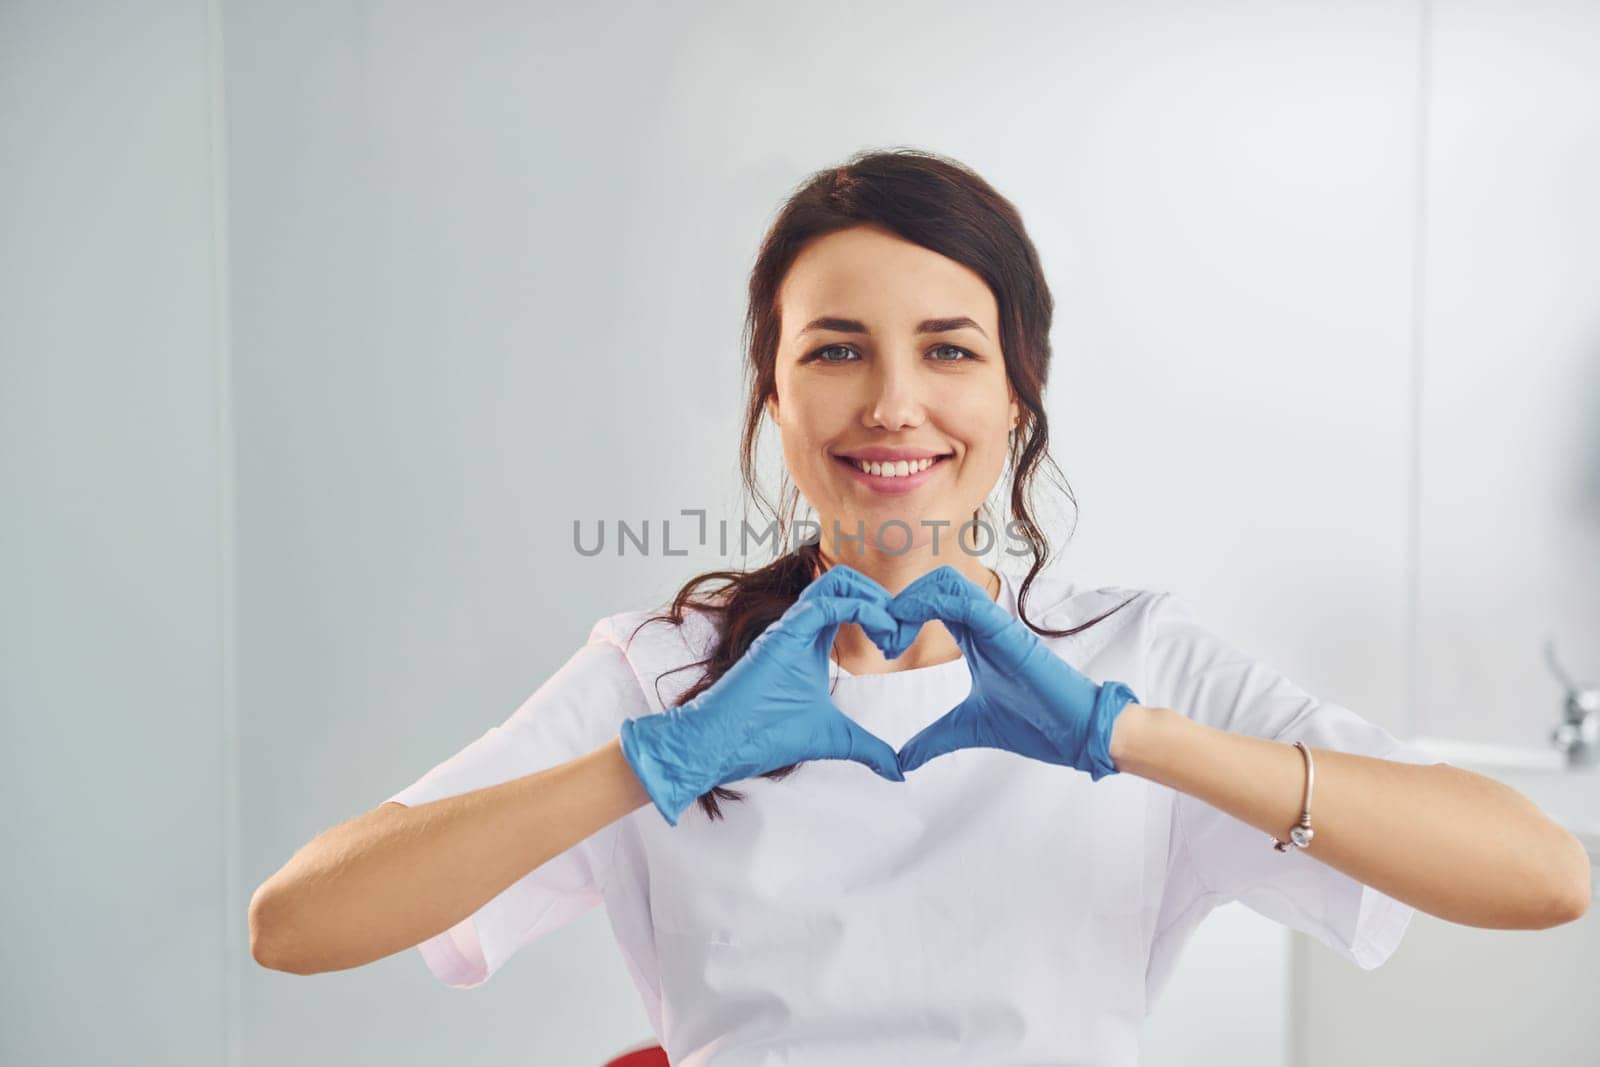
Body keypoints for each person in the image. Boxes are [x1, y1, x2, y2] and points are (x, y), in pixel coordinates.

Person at [251, 148, 1589, 1066]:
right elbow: (298, 922)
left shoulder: (1135, 657)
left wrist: (1128, 736)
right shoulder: (666, 675)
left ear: (1018, 389)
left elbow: (1543, 877)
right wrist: (660, 760)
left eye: (947, 349)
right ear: (773, 397)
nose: (892, 402)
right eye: (835, 351)